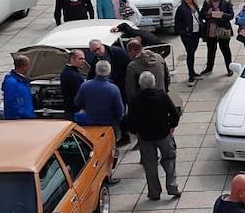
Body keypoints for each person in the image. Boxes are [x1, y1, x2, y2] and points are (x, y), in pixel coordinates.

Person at [124, 69, 181, 200]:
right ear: (154, 83)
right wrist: (172, 126)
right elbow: (174, 113)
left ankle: (154, 193)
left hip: (145, 137)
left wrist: (135, 132)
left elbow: (130, 119)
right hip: (163, 134)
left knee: (150, 165)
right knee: (169, 159)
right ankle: (172, 187)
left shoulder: (135, 100)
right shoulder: (162, 96)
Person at [74, 59, 125, 127]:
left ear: (96, 70)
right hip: (107, 124)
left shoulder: (85, 86)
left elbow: (77, 102)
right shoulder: (113, 89)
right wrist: (115, 122)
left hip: (88, 123)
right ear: (109, 71)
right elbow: (120, 111)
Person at [200, 0, 234, 74]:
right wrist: (208, 13)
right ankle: (209, 67)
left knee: (225, 50)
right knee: (211, 50)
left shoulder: (226, 2)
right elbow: (202, 14)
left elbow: (231, 15)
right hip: (211, 30)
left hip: (222, 29)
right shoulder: (207, 2)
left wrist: (222, 15)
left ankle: (229, 68)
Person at [123, 37, 168, 104]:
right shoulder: (159, 57)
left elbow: (130, 89)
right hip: (161, 97)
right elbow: (167, 77)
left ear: (132, 50)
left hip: (144, 102)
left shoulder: (132, 66)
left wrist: (132, 105)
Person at [175, 0, 202, 84]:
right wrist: (184, 32)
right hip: (188, 35)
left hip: (196, 33)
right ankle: (191, 74)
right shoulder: (181, 8)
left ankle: (193, 72)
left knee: (192, 52)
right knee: (190, 53)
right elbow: (177, 23)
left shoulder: (195, 6)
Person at [1, 54, 35, 120]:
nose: (29, 67)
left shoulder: (20, 80)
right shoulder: (12, 83)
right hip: (20, 120)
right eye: (28, 65)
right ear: (23, 66)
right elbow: (12, 104)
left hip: (26, 117)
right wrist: (25, 115)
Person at [60, 49, 87, 118]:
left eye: (84, 59)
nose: (83, 61)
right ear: (72, 59)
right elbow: (80, 96)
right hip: (75, 112)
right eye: (80, 59)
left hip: (68, 111)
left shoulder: (65, 72)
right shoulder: (74, 76)